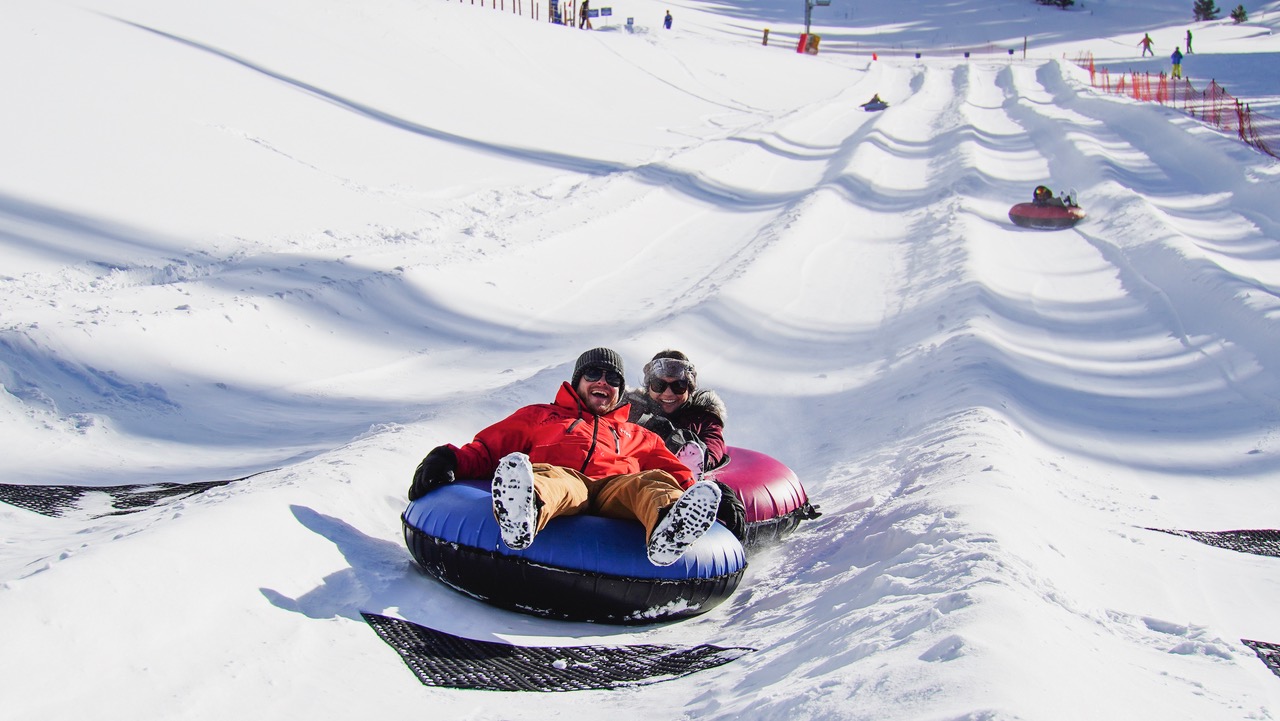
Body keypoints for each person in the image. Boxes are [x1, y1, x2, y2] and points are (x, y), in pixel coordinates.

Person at [408, 347, 737, 565]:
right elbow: (489, 448)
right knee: (550, 478)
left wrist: (712, 494)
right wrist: (448, 459)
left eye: (613, 380)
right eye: (594, 374)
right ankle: (524, 509)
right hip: (565, 481)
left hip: (617, 490)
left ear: (620, 392)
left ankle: (670, 525)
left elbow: (676, 471)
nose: (603, 383)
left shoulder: (640, 434)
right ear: (577, 381)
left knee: (653, 482)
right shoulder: (542, 415)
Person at [625, 349, 745, 541]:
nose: (668, 393)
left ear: (689, 388)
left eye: (678, 386)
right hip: (633, 474)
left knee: (725, 501)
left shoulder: (703, 417)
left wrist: (678, 441)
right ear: (648, 387)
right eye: (659, 385)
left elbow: (713, 450)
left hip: (685, 480)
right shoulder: (630, 410)